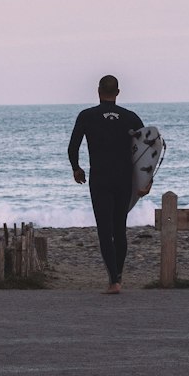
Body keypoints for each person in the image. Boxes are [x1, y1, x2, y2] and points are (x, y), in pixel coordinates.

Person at [68, 76, 144, 294]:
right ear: (118, 92)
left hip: (101, 178)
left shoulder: (87, 116)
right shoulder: (131, 118)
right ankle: (118, 276)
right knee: (120, 228)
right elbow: (147, 151)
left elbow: (73, 147)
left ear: (98, 91)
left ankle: (113, 281)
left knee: (105, 229)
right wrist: (145, 182)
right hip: (124, 179)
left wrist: (77, 168)